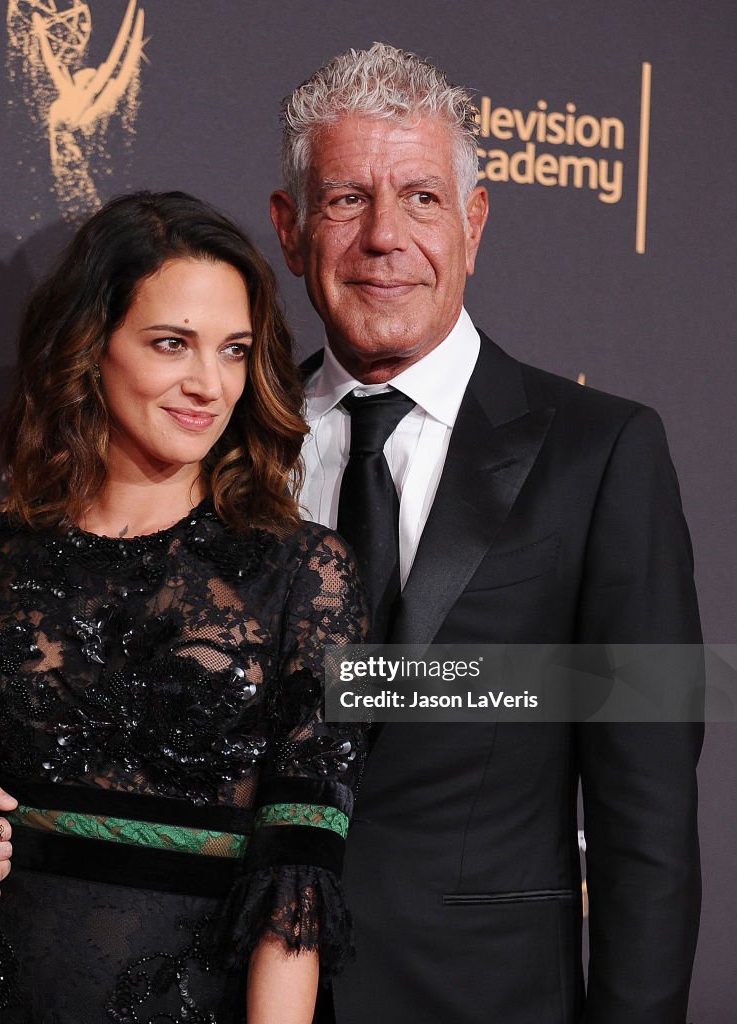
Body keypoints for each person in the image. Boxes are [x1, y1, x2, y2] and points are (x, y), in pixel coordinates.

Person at [268, 44, 702, 1024]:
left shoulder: (605, 453)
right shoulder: (235, 449)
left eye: (422, 199)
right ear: (289, 229)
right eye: (345, 200)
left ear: (474, 223)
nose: (385, 238)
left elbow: (650, 821)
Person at [0, 191, 368, 1024]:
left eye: (232, 351)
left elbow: (296, 879)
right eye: (170, 344)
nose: (208, 384)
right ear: (90, 347)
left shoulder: (304, 572)